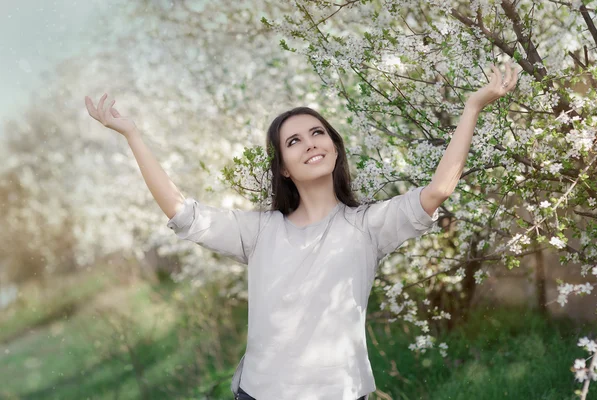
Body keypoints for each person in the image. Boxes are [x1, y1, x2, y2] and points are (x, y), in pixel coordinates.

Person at [84, 61, 518, 400]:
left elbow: (439, 189)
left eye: (317, 133)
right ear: (285, 170)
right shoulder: (258, 232)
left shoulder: (367, 225)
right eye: (294, 141)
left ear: (333, 146)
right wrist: (132, 135)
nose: (310, 142)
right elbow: (182, 212)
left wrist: (472, 106)